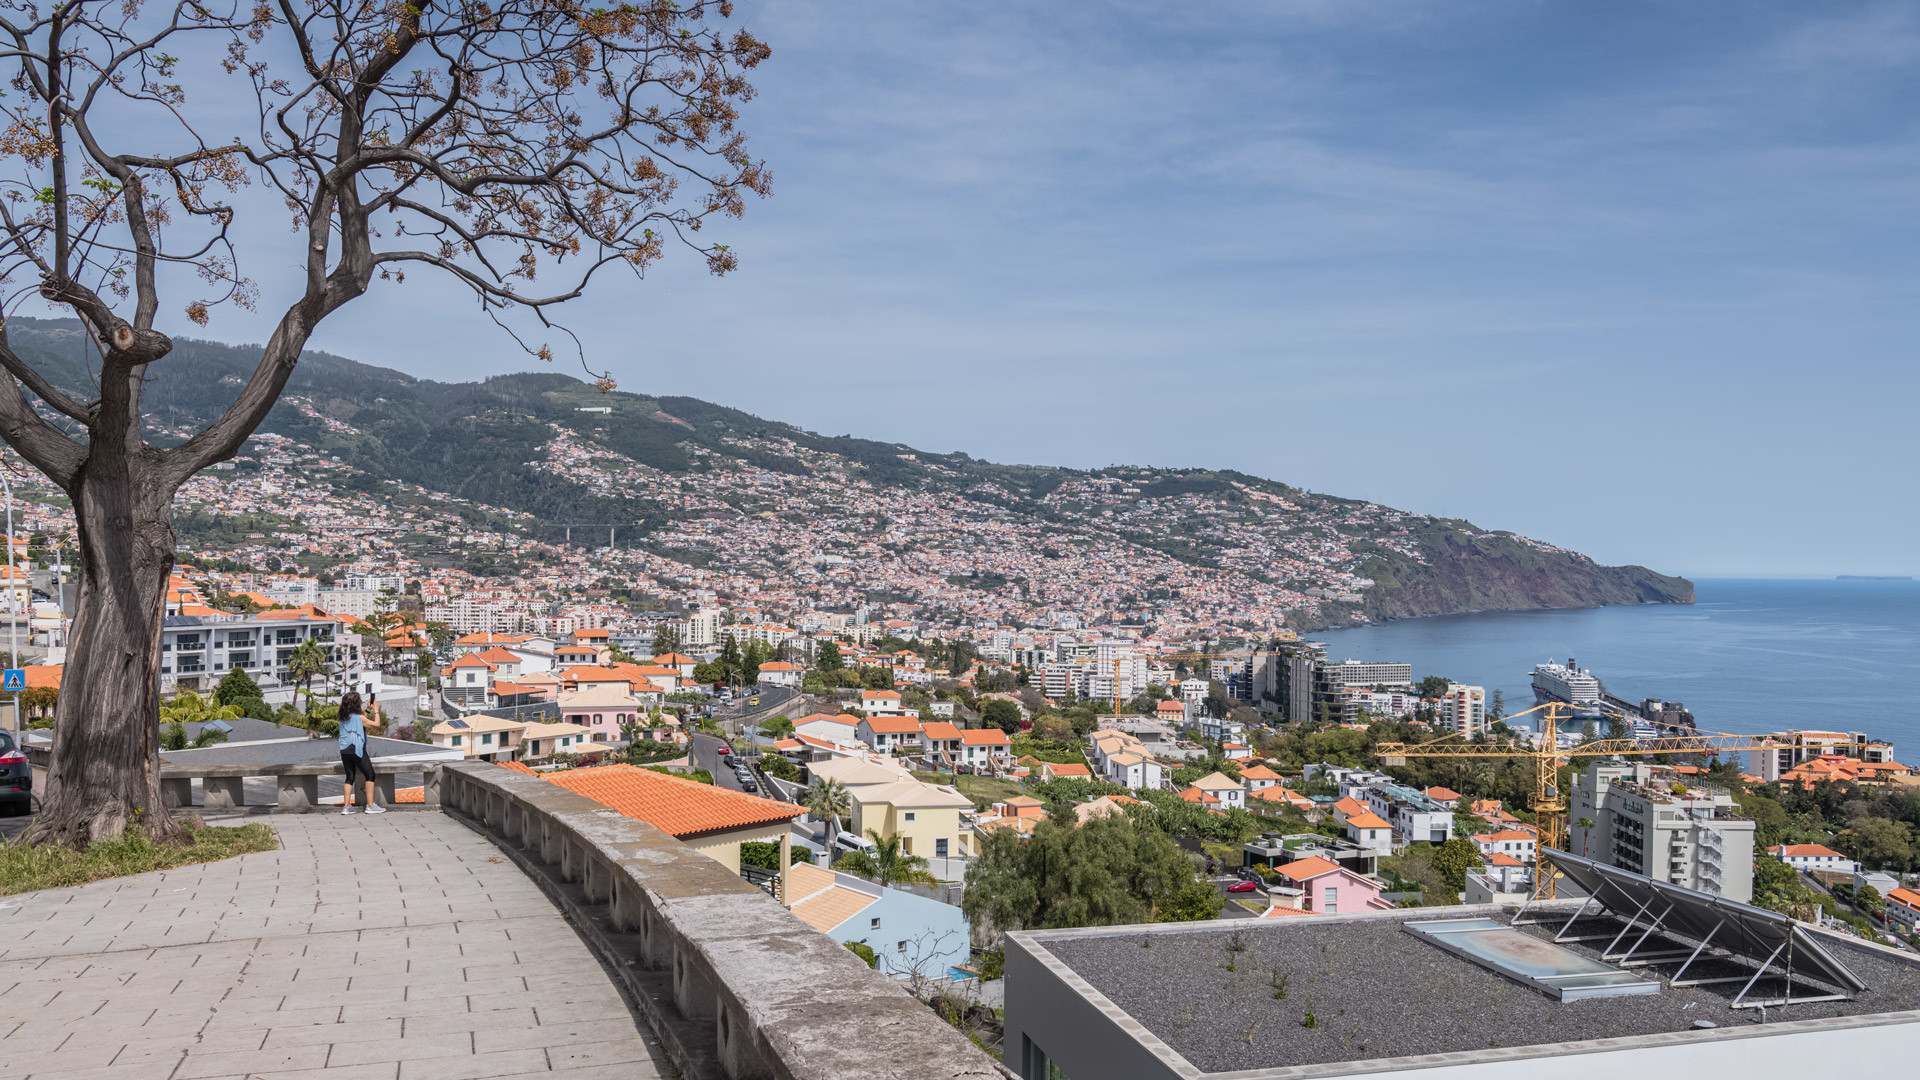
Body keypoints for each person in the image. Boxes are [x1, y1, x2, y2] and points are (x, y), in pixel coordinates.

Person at [337, 691, 385, 815]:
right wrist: (376, 710)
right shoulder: (359, 718)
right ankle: (370, 805)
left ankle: (346, 806)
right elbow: (376, 724)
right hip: (357, 749)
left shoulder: (343, 717)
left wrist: (367, 710)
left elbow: (358, 721)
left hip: (345, 750)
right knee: (370, 775)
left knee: (349, 777)